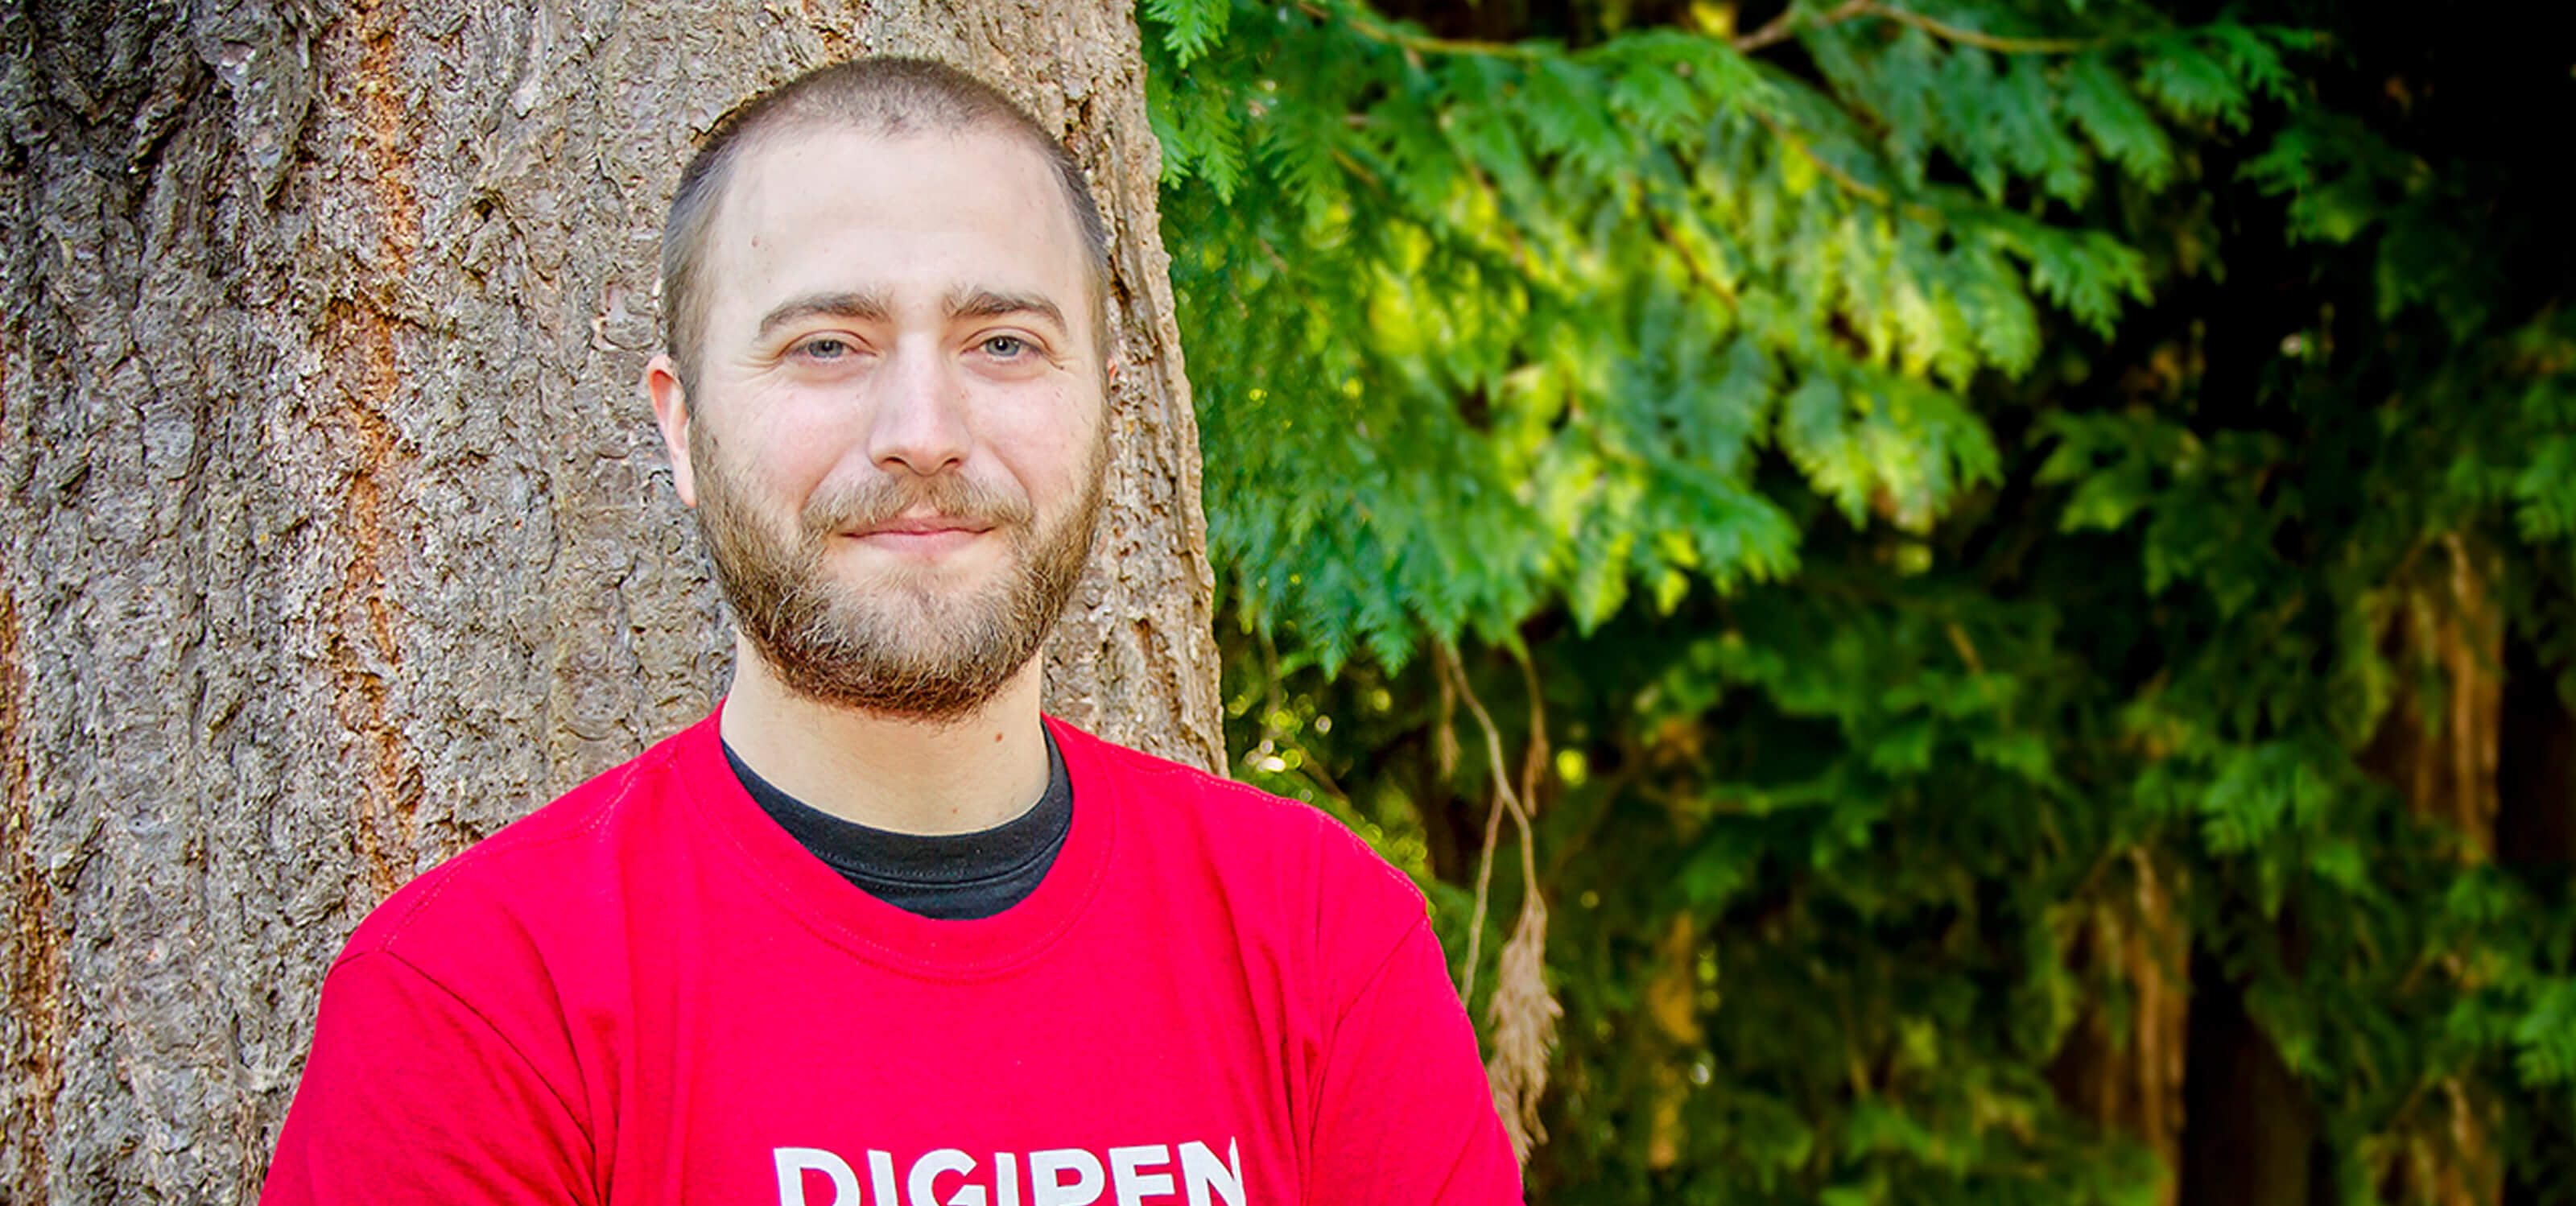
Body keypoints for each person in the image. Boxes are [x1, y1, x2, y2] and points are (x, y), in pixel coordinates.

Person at [259, 56, 1521, 1205]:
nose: (923, 427)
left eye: (1005, 341)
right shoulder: (478, 1004)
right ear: (683, 428)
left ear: (1105, 411)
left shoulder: (1323, 944)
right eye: (826, 344)